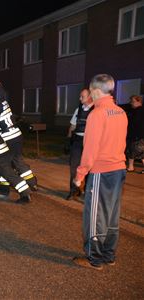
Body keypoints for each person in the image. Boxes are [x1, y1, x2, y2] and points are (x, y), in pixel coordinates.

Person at [72, 74, 127, 270]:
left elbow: (91, 149)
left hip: (101, 171)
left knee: (95, 216)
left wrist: (80, 174)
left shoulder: (97, 113)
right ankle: (108, 255)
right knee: (112, 214)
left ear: (95, 91)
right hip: (119, 169)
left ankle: (94, 259)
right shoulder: (120, 111)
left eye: (90, 92)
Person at [0, 81, 37, 202]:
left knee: (3, 165)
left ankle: (24, 194)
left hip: (8, 138)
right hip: (15, 136)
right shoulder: (3, 102)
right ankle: (30, 183)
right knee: (15, 162)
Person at [66, 89, 94, 200]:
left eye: (82, 96)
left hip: (90, 142)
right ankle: (73, 190)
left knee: (90, 168)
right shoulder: (79, 110)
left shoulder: (96, 110)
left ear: (90, 96)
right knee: (74, 167)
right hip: (77, 141)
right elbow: (73, 126)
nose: (80, 98)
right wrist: (68, 140)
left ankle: (88, 191)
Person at [125, 95, 144, 173]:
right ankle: (130, 167)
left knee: (134, 151)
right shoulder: (137, 111)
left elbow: (134, 124)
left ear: (138, 101)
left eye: (133, 101)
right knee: (138, 152)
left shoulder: (137, 111)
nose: (131, 103)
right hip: (139, 135)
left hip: (137, 135)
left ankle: (131, 167)